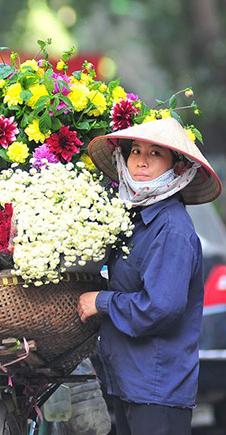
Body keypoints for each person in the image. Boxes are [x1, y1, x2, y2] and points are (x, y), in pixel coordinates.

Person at [78, 117, 223, 435]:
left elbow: (161, 308)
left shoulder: (171, 227)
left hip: (157, 390)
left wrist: (101, 302)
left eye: (156, 154)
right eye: (135, 151)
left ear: (178, 168)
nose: (141, 161)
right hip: (130, 382)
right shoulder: (137, 221)